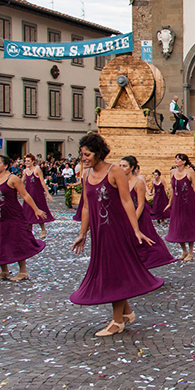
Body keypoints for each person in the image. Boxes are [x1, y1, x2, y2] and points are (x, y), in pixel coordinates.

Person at [71, 134, 161, 337]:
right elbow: (85, 206)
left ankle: (117, 321)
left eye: (87, 154)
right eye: (82, 154)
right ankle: (127, 312)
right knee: (111, 270)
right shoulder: (85, 176)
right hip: (100, 232)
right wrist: (82, 233)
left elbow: (127, 202)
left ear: (98, 153)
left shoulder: (114, 171)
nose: (83, 158)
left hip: (117, 230)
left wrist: (136, 229)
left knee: (114, 273)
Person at [0, 154, 47, 281]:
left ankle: (23, 271)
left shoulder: (12, 178)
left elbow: (25, 195)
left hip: (12, 215)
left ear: (5, 166)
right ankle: (4, 270)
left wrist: (36, 209)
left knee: (17, 240)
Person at [120, 156, 177, 270]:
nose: (121, 168)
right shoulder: (120, 182)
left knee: (146, 237)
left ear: (131, 168)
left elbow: (141, 204)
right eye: (120, 166)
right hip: (125, 215)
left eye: (124, 166)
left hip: (140, 215)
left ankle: (151, 259)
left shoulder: (138, 182)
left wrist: (133, 219)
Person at [165, 153, 195, 261]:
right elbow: (172, 189)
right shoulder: (172, 172)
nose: (176, 160)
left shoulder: (189, 172)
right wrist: (169, 203)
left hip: (187, 203)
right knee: (178, 226)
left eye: (178, 159)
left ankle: (190, 252)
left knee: (188, 226)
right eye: (175, 158)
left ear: (184, 161)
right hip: (177, 203)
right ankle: (184, 251)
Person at [21, 153, 55, 239]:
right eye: (25, 161)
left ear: (33, 161)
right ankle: (29, 232)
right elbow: (22, 182)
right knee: (27, 211)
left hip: (37, 194)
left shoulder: (37, 170)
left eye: (28, 161)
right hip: (28, 194)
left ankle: (43, 229)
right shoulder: (25, 171)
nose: (26, 162)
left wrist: (47, 193)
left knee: (39, 210)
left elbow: (42, 182)